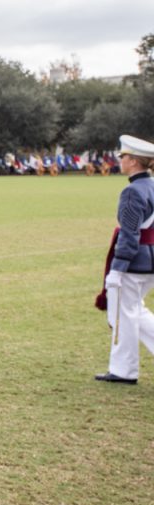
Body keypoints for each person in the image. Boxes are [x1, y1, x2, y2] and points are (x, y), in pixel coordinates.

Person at [95, 134, 154, 385]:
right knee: (135, 312)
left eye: (123, 157)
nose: (120, 161)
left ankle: (123, 370)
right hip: (150, 260)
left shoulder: (132, 192)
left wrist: (117, 270)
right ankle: (123, 369)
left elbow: (129, 235)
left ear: (133, 161)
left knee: (122, 317)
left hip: (133, 264)